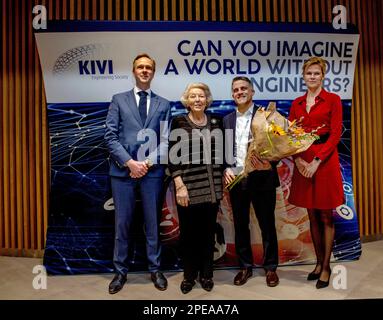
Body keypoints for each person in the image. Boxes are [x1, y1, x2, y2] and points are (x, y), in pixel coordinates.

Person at [104, 53, 171, 294]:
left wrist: (147, 163)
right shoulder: (118, 100)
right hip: (123, 174)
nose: (144, 71)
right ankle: (120, 271)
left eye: (149, 68)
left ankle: (155, 269)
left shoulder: (164, 104)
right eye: (140, 67)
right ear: (134, 71)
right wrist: (130, 163)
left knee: (153, 223)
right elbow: (110, 137)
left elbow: (165, 140)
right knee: (123, 224)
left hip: (152, 174)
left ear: (153, 72)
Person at [288, 56, 344, 289]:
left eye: (316, 73)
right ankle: (318, 263)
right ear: (304, 76)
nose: (312, 77)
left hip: (325, 162)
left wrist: (317, 160)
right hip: (303, 162)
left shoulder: (333, 99)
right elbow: (289, 136)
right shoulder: (297, 103)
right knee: (311, 214)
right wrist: (299, 159)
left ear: (323, 76)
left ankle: (327, 266)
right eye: (308, 73)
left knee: (325, 215)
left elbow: (335, 133)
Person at [223, 76, 280, 287]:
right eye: (236, 89)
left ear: (252, 91)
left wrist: (270, 162)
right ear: (232, 94)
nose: (240, 92)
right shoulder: (227, 119)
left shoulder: (266, 116)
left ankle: (271, 268)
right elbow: (223, 152)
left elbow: (280, 145)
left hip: (263, 179)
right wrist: (225, 169)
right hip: (237, 180)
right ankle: (245, 266)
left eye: (244, 88)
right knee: (240, 226)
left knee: (267, 225)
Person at [168, 83, 223, 294]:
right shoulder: (179, 122)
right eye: (193, 96)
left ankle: (207, 274)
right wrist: (179, 185)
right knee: (189, 235)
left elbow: (223, 153)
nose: (198, 99)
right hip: (188, 189)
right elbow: (172, 157)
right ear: (187, 100)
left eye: (201, 96)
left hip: (211, 188)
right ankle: (189, 276)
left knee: (208, 235)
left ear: (207, 99)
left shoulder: (216, 121)